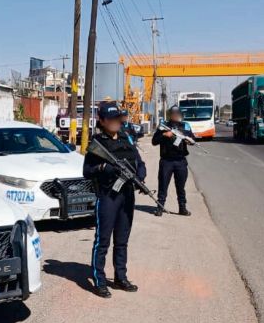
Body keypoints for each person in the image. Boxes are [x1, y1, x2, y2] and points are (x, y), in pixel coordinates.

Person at [83, 103, 146, 298]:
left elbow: (139, 161)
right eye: (111, 119)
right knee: (103, 241)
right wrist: (103, 168)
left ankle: (120, 277)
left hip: (127, 196)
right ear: (102, 121)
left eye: (117, 118)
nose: (116, 122)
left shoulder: (126, 137)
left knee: (122, 241)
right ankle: (99, 280)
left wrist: (141, 174)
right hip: (108, 196)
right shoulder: (98, 143)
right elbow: (86, 172)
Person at [151, 106, 195, 217]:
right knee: (163, 186)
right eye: (174, 113)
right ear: (170, 114)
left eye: (178, 113)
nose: (176, 115)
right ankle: (160, 208)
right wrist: (165, 135)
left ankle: (182, 208)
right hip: (166, 161)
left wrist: (188, 140)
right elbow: (154, 141)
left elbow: (193, 139)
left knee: (181, 187)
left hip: (180, 161)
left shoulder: (185, 126)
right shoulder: (163, 126)